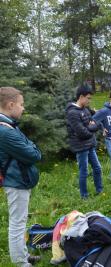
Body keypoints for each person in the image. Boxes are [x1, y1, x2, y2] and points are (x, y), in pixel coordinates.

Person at [0, 87, 42, 267]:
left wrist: (30, 145)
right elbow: (34, 154)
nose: (23, 108)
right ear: (10, 105)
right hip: (16, 182)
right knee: (17, 223)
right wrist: (32, 147)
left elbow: (29, 147)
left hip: (19, 180)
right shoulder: (5, 131)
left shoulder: (9, 126)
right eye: (21, 104)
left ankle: (23, 256)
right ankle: (20, 262)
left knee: (21, 220)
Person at [66, 85, 103, 199]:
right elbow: (82, 133)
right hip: (81, 147)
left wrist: (92, 126)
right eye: (88, 98)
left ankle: (99, 190)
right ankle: (84, 196)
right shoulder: (72, 113)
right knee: (84, 172)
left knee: (97, 168)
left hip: (90, 144)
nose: (89, 100)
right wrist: (93, 128)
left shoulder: (85, 109)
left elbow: (93, 122)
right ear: (81, 97)